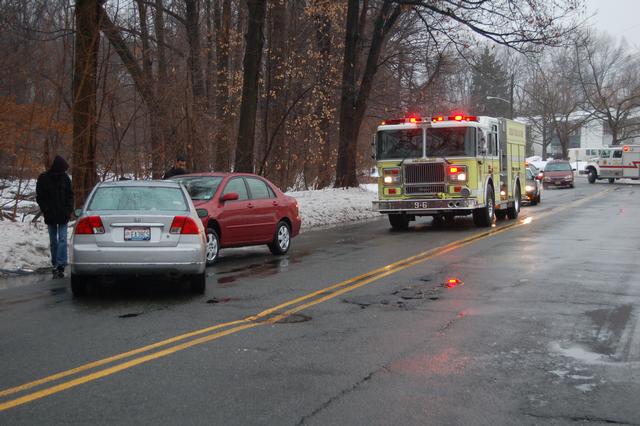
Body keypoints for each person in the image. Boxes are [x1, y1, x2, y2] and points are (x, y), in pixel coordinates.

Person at [36, 155, 74, 278]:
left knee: (62, 239)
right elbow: (40, 197)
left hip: (63, 215)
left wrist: (69, 210)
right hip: (50, 215)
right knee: (53, 241)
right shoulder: (43, 178)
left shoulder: (65, 179)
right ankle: (55, 263)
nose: (64, 172)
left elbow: (70, 195)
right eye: (63, 169)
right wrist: (45, 210)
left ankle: (61, 264)